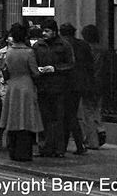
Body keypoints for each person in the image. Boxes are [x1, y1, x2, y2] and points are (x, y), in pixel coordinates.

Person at [0, 23, 45, 161]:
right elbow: (35, 72)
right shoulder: (29, 52)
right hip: (26, 87)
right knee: (26, 119)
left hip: (13, 87)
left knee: (13, 119)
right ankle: (25, 153)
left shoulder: (9, 52)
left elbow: (5, 69)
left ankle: (13, 151)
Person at [33, 18, 75, 157]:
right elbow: (33, 63)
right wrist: (38, 69)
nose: (44, 33)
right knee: (44, 118)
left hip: (59, 87)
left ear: (54, 31)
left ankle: (59, 149)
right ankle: (44, 147)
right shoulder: (38, 46)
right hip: (43, 87)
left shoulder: (64, 45)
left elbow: (71, 64)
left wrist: (55, 68)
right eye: (43, 31)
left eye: (47, 31)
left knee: (58, 119)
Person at [60, 23, 93, 155]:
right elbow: (90, 65)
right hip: (79, 84)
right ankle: (75, 145)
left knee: (67, 115)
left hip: (65, 83)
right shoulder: (83, 45)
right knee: (71, 114)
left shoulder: (62, 45)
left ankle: (72, 145)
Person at [80, 24, 107, 149]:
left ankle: (92, 141)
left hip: (89, 83)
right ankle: (100, 129)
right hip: (100, 82)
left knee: (88, 112)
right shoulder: (101, 49)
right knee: (97, 109)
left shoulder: (86, 49)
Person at [0, 27, 17, 148]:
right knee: (3, 112)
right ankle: (0, 133)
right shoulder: (1, 53)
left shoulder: (20, 51)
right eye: (10, 37)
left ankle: (11, 137)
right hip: (3, 86)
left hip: (15, 84)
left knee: (14, 113)